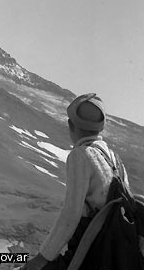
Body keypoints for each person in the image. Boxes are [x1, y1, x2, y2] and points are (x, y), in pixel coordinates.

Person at [22, 93, 131, 270]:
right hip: (115, 250)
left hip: (90, 247)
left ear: (71, 125)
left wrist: (43, 257)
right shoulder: (115, 159)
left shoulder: (81, 155)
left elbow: (71, 213)